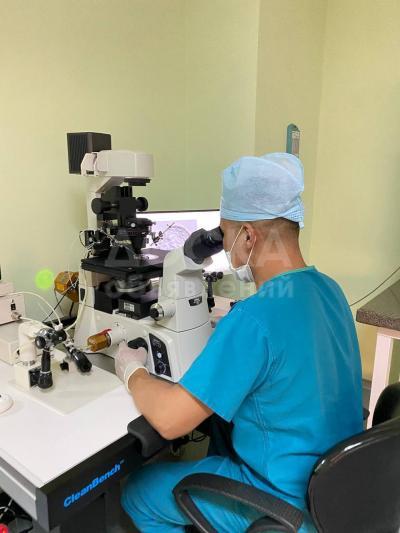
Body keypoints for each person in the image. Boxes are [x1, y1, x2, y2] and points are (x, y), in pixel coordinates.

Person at [115, 153, 363, 532]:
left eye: (225, 234)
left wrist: (132, 371)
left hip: (282, 502)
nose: (224, 246)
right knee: (217, 430)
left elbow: (169, 421)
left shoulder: (253, 318)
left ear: (248, 236)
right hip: (335, 487)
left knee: (137, 492)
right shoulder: (330, 289)